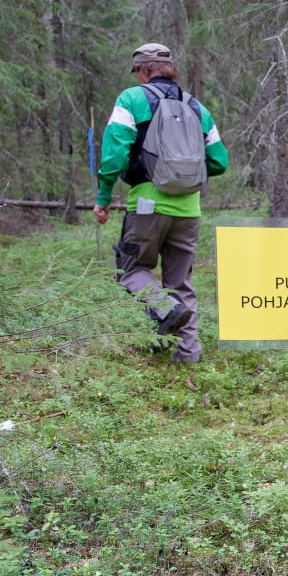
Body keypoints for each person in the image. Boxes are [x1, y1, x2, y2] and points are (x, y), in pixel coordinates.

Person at [93, 42, 228, 363]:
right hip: (189, 208)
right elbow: (219, 161)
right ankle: (187, 352)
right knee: (179, 281)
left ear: (143, 70)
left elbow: (114, 155)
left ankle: (166, 312)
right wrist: (185, 174)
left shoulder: (132, 99)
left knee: (131, 270)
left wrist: (104, 197)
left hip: (147, 205)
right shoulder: (197, 107)